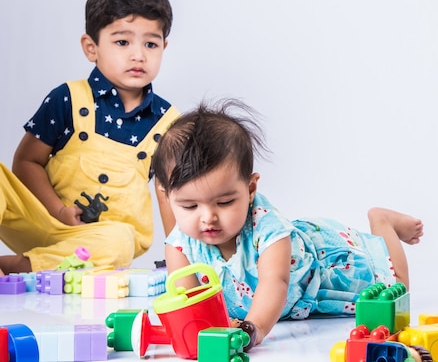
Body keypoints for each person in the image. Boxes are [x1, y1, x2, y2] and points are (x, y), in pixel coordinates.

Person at [151, 98, 424, 349]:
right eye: (189, 206)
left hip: (321, 269)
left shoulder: (268, 230)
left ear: (250, 188)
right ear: (167, 195)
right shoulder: (179, 246)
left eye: (224, 202)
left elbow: (275, 282)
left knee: (393, 291)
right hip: (290, 302)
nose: (208, 217)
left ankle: (383, 223)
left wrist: (252, 329)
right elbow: (188, 301)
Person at [0, 0, 181, 275]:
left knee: (121, 241)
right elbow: (26, 161)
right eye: (122, 42)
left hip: (98, 243)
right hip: (43, 219)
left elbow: (171, 195)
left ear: (164, 46)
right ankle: (45, 258)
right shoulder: (68, 98)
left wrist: (182, 263)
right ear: (91, 47)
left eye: (151, 43)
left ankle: (18, 267)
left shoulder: (168, 121)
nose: (138, 55)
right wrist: (58, 212)